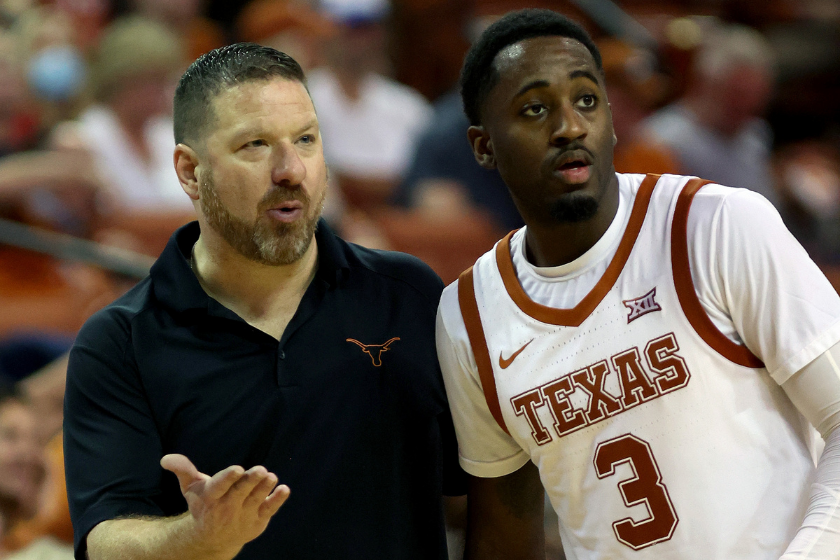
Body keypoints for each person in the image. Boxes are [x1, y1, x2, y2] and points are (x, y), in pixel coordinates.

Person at [436, 9, 840, 559]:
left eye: (586, 100)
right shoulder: (469, 315)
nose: (570, 127)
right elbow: (504, 535)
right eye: (535, 109)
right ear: (483, 146)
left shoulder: (714, 224)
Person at [63, 44, 465, 560]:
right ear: (189, 172)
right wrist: (199, 538)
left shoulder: (407, 296)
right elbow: (104, 539)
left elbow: (476, 487)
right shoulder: (120, 341)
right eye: (255, 144)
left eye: (306, 139)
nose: (291, 169)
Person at [640, 22, 779, 207]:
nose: (747, 106)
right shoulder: (663, 141)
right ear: (706, 85)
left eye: (756, 96)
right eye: (737, 94)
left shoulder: (754, 135)